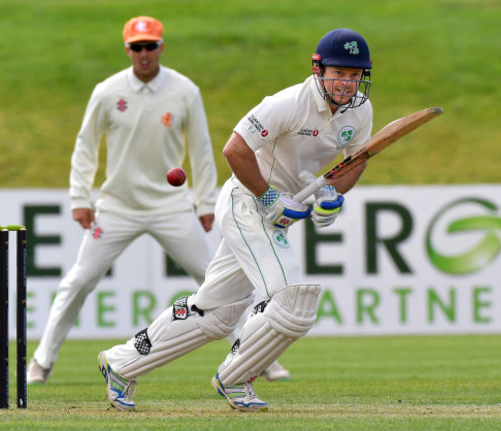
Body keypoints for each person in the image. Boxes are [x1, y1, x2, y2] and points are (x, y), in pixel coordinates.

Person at [96, 27, 373, 411]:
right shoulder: (287, 103)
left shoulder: (360, 110)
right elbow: (235, 148)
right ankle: (236, 378)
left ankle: (121, 364)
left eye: (355, 74)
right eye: (339, 72)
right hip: (247, 202)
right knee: (292, 302)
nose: (346, 82)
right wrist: (269, 196)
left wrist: (333, 195)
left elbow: (353, 162)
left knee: (216, 313)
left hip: (279, 211)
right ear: (317, 68)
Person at [27, 15, 290, 386]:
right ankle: (41, 362)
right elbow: (86, 146)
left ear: (161, 47)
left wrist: (202, 202)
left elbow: (200, 148)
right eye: (137, 47)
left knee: (215, 282)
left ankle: (256, 359)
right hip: (117, 206)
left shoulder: (185, 91)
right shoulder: (107, 91)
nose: (144, 54)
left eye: (150, 46)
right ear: (128, 50)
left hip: (171, 207)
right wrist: (79, 198)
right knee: (79, 281)